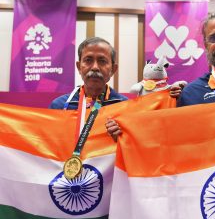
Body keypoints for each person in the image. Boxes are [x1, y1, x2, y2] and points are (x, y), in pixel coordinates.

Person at [50, 37, 182, 142]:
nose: (95, 67)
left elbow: (143, 142)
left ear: (113, 69)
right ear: (79, 67)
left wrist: (120, 139)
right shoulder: (60, 106)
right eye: (88, 60)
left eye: (102, 61)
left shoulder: (125, 107)